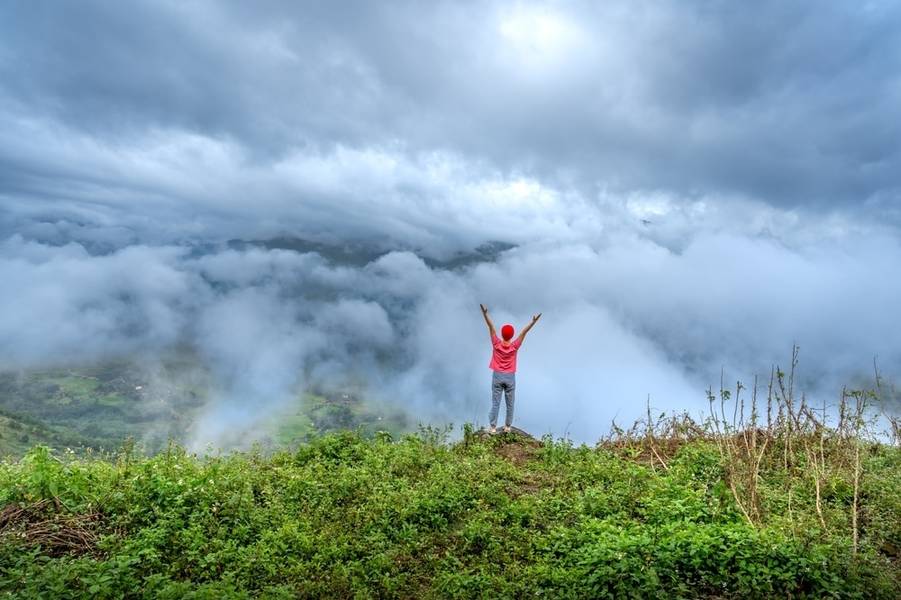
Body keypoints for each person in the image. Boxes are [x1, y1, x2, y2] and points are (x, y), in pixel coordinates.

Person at [479, 304, 541, 434]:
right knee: (510, 403)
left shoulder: (496, 343)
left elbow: (491, 327)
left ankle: (493, 427)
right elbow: (524, 332)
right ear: (512, 335)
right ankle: (507, 427)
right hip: (510, 377)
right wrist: (533, 322)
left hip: (497, 375)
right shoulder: (514, 346)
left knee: (495, 402)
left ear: (502, 334)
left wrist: (485, 314)